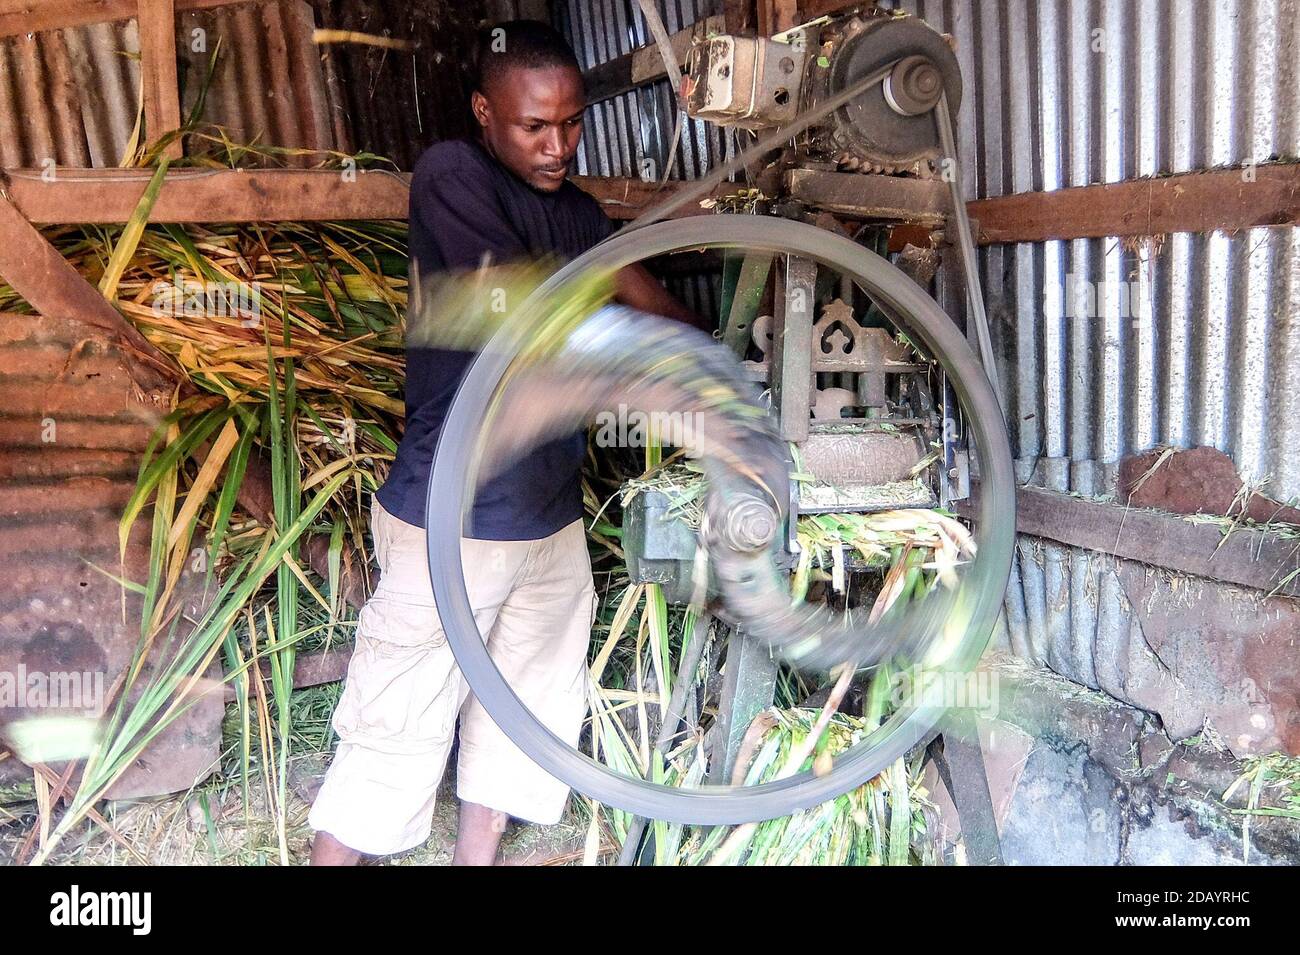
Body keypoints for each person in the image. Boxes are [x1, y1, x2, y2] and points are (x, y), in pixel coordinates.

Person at [308, 19, 699, 865]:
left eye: (571, 124)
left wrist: (702, 352)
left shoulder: (583, 217)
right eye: (534, 126)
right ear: (486, 112)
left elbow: (649, 308)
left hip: (548, 522)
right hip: (448, 516)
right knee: (395, 727)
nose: (557, 145)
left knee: (524, 718)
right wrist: (617, 298)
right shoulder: (453, 176)